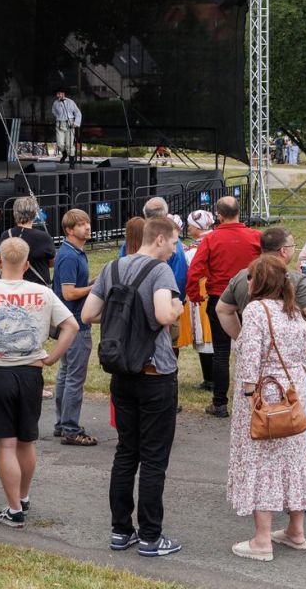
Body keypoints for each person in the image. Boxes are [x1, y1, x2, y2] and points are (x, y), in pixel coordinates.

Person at [0, 237, 77, 529]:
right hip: (31, 373)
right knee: (26, 440)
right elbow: (70, 325)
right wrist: (52, 358)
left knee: (6, 445)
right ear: (27, 265)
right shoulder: (42, 293)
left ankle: (14, 509)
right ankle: (23, 496)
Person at [81, 217, 185, 558]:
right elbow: (164, 315)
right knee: (154, 458)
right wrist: (176, 307)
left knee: (126, 452)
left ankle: (120, 530)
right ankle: (151, 536)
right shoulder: (160, 271)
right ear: (159, 239)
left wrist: (121, 313)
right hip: (155, 372)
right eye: (173, 242)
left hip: (122, 371)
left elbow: (88, 313)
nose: (174, 249)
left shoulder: (112, 268)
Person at [226, 255, 306, 562]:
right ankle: (296, 531)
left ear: (261, 281)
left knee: (262, 463)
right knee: (293, 460)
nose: (247, 282)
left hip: (265, 397)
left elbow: (251, 358)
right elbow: (301, 357)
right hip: (293, 396)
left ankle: (262, 540)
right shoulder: (293, 311)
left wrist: (248, 393)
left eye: (251, 277)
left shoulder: (256, 310)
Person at [214, 226, 306, 442]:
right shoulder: (296, 280)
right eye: (293, 246)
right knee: (297, 424)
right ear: (283, 250)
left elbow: (223, 309)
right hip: (291, 367)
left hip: (256, 369)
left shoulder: (242, 277)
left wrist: (243, 338)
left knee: (257, 427)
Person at [186, 196, 261, 418]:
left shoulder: (212, 239)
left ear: (219, 216)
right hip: (250, 298)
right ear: (239, 211)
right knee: (253, 348)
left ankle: (220, 402)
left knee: (221, 351)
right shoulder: (255, 236)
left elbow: (195, 270)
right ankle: (255, 397)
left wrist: (194, 294)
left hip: (220, 297)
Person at [52, 208, 97, 446]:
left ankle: (62, 424)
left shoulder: (74, 252)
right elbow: (68, 293)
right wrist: (94, 288)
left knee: (66, 373)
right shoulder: (69, 256)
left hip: (68, 321)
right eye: (81, 225)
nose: (87, 227)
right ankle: (70, 428)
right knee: (74, 377)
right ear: (69, 230)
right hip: (76, 323)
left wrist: (90, 283)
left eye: (87, 223)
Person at [184, 209, 216, 388]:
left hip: (203, 289)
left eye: (190, 225)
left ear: (198, 226)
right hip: (215, 287)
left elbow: (190, 267)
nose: (188, 228)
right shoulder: (215, 239)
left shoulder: (198, 247)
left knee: (205, 333)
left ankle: (210, 379)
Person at [2, 195, 55, 286]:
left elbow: (2, 263)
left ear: (15, 213)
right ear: (34, 214)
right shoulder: (43, 237)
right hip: (38, 287)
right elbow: (51, 263)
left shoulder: (6, 235)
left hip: (13, 287)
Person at [52, 88, 82, 166]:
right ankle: (64, 154)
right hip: (59, 124)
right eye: (57, 94)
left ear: (63, 93)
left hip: (70, 124)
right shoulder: (55, 103)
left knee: (69, 144)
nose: (57, 95)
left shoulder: (70, 102)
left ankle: (72, 163)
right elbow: (54, 111)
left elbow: (78, 113)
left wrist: (76, 123)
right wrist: (59, 117)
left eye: (59, 94)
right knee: (60, 144)